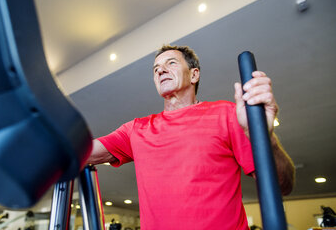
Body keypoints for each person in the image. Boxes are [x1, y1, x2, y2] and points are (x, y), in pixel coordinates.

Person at [85, 45, 295, 229]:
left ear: (194, 75)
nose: (161, 71)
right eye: (156, 69)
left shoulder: (228, 114)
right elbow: (83, 153)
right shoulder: (136, 129)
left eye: (171, 63)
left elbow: (282, 185)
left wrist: (265, 139)